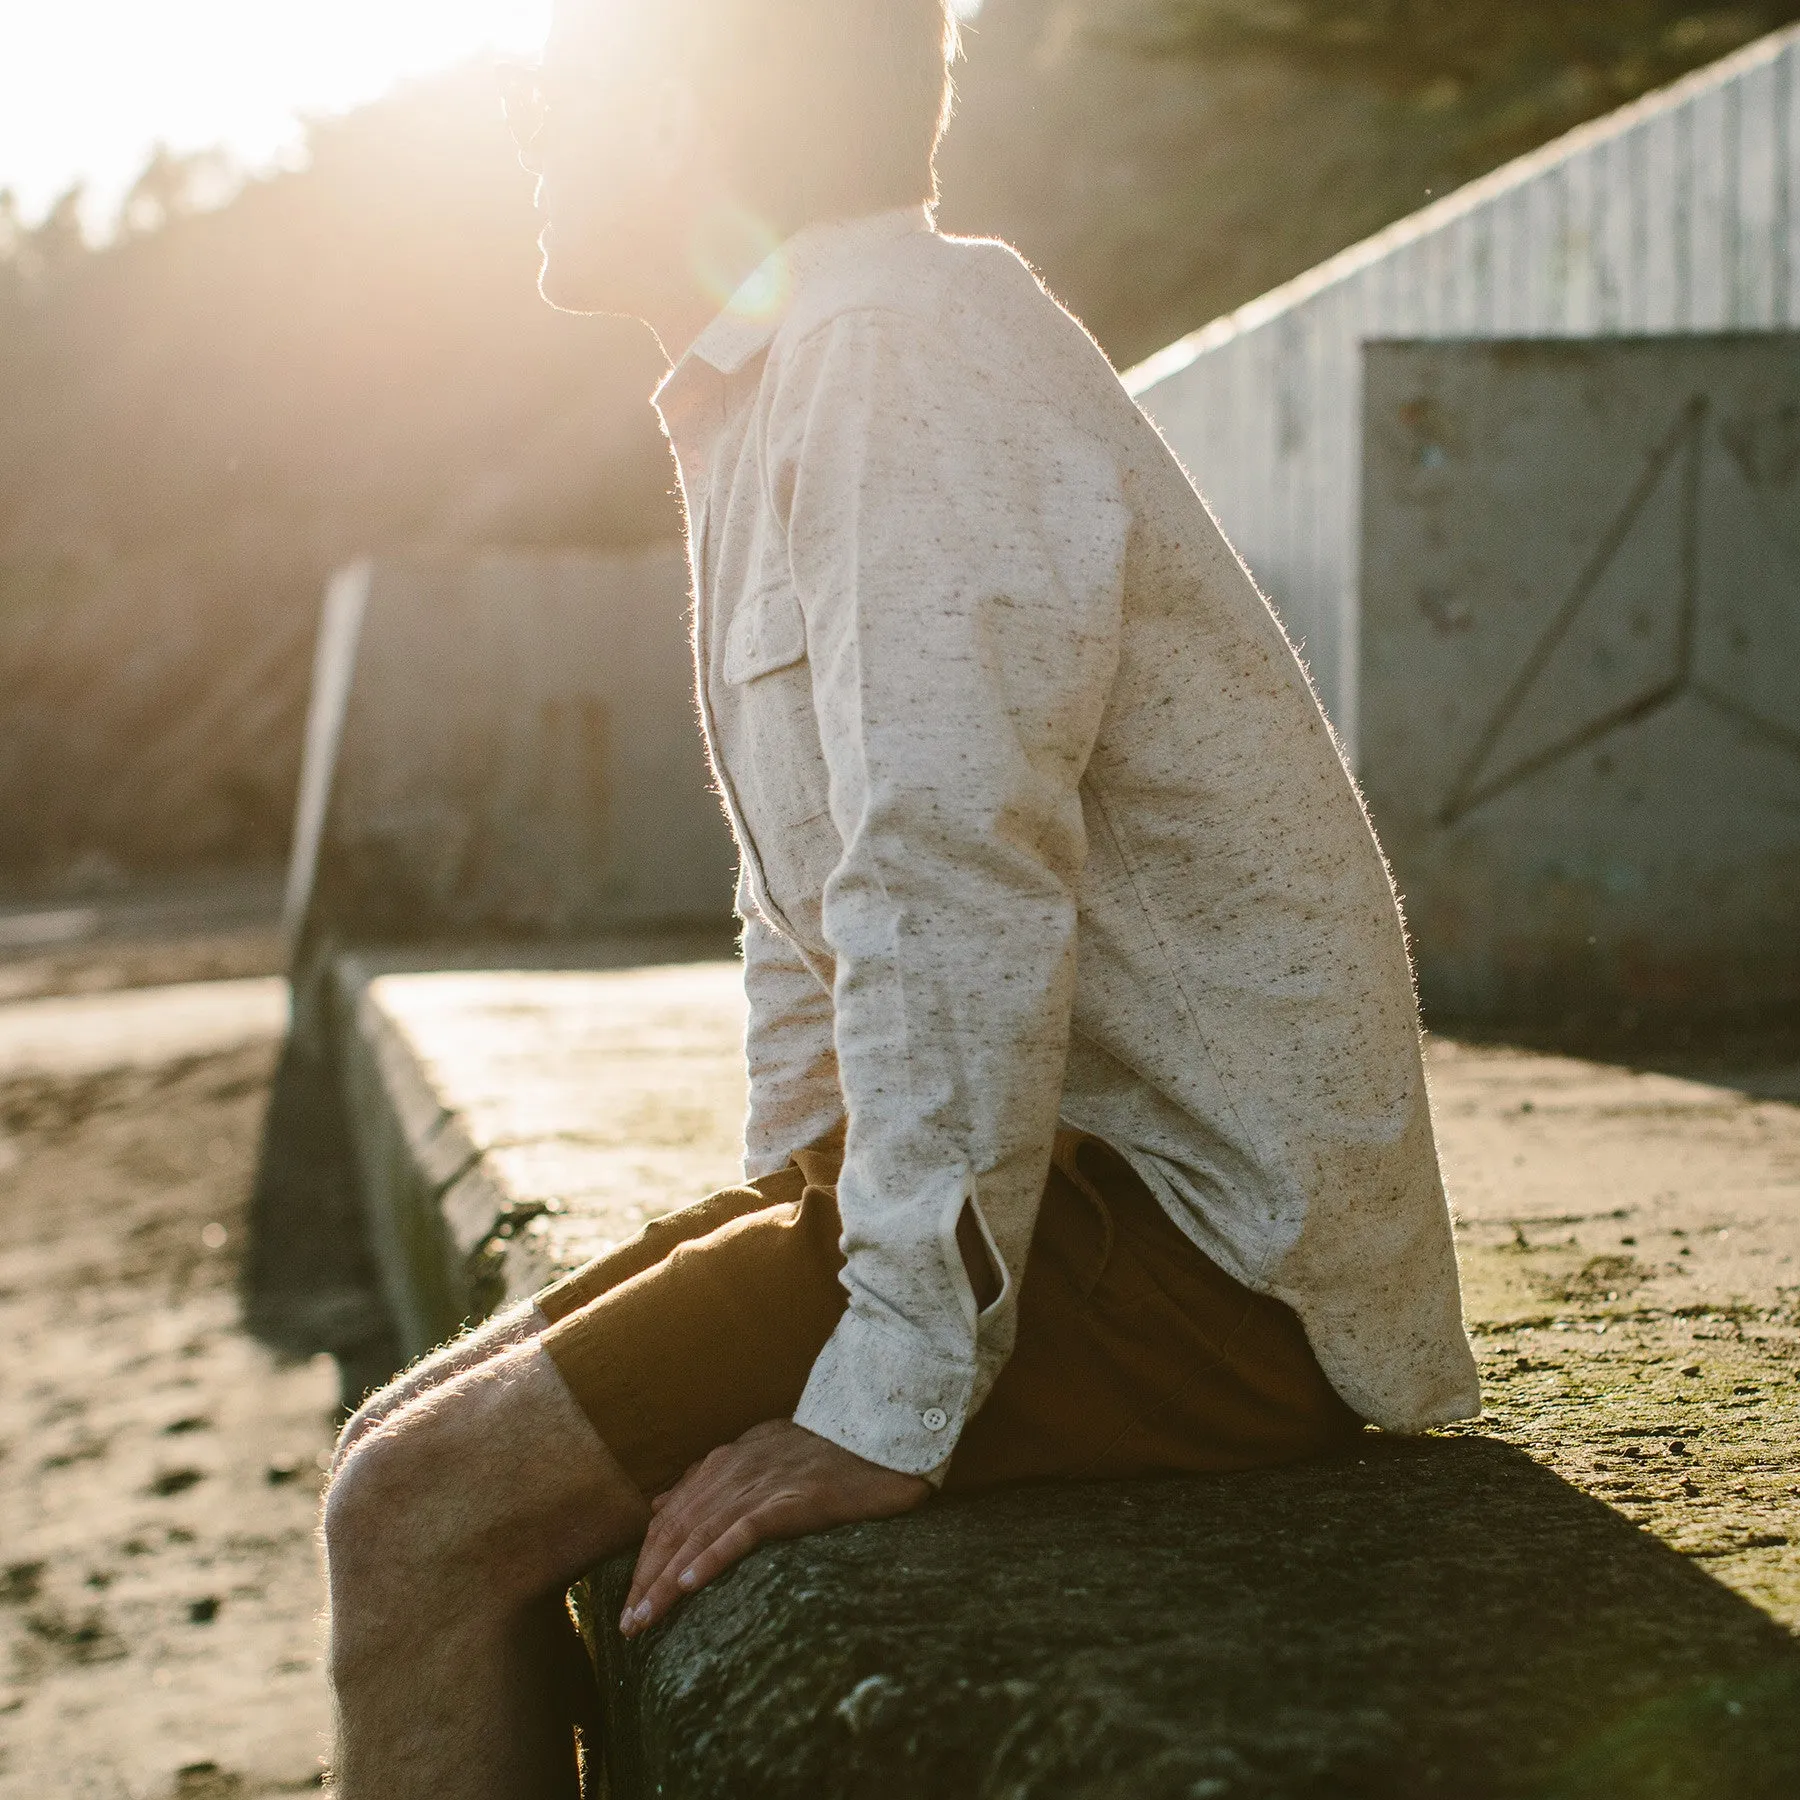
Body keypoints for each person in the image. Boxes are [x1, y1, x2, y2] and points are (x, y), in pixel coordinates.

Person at [319, 2, 1482, 1794]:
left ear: (691, 109)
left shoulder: (898, 365)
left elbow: (952, 877)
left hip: (1211, 1267)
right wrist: (795, 1239)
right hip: (1083, 1213)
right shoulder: (794, 369)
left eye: (561, 84)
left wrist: (888, 1386)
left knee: (409, 1516)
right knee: (404, 1446)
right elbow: (820, 902)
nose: (527, 123)